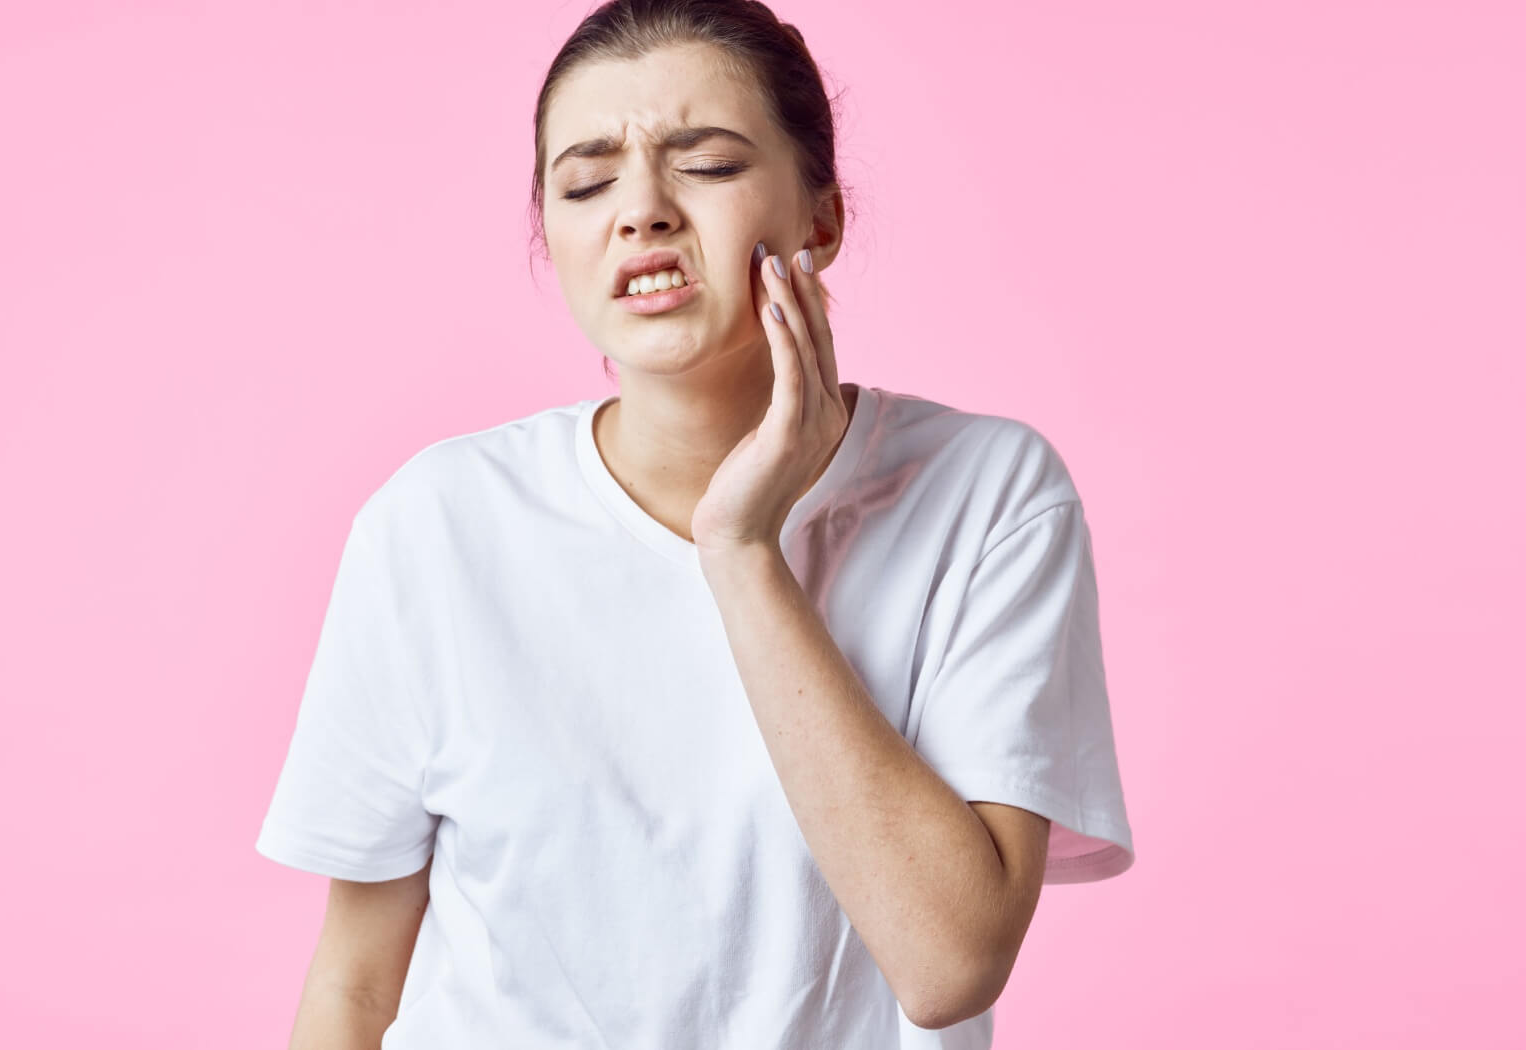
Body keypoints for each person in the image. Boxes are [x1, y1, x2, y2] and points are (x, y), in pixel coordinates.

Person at [255, 1, 1136, 1047]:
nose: (641, 211)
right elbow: (354, 987)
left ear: (822, 214)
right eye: (585, 182)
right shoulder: (436, 525)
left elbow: (949, 965)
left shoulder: (984, 495)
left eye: (708, 166)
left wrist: (743, 551)